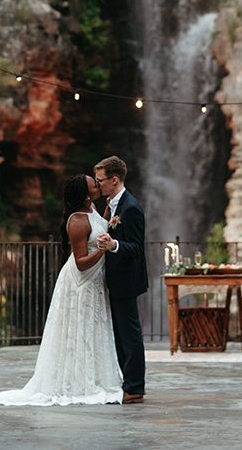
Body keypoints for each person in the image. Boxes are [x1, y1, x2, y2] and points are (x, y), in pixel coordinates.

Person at [0, 174, 124, 406]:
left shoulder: (93, 208)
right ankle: (77, 382)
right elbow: (81, 261)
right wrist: (103, 250)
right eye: (94, 183)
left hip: (95, 280)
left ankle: (96, 377)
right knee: (79, 330)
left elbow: (101, 226)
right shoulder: (76, 221)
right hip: (81, 282)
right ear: (86, 194)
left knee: (94, 329)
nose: (98, 183)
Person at [94, 155, 148, 404]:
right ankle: (127, 382)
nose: (97, 184)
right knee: (120, 334)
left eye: (101, 180)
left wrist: (114, 244)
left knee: (130, 334)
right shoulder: (112, 204)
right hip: (115, 279)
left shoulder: (131, 207)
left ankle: (135, 387)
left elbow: (137, 247)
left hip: (126, 280)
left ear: (114, 180)